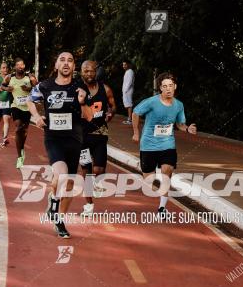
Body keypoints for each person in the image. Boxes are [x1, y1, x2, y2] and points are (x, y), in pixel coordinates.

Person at [26, 52, 92, 238]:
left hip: (74, 140)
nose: (66, 63)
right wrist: (36, 116)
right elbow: (30, 100)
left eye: (70, 60)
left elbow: (88, 116)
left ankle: (60, 220)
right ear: (56, 65)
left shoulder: (80, 87)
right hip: (53, 138)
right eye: (62, 60)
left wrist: (83, 101)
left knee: (69, 182)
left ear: (73, 66)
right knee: (61, 173)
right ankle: (54, 203)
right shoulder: (45, 86)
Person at [132, 72, 197, 218]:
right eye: (165, 86)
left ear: (175, 87)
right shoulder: (151, 102)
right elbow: (135, 113)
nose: (168, 89)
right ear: (160, 88)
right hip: (148, 145)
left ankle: (162, 208)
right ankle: (145, 166)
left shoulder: (179, 105)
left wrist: (187, 128)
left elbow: (180, 124)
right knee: (149, 180)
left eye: (170, 86)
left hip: (167, 144)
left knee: (167, 172)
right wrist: (136, 132)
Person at [79, 60, 116, 215]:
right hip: (81, 137)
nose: (89, 74)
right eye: (85, 71)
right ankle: (89, 206)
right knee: (86, 171)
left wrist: (110, 113)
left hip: (100, 134)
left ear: (96, 71)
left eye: (91, 71)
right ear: (81, 72)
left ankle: (94, 183)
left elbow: (113, 106)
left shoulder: (105, 89)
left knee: (99, 169)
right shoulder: (76, 90)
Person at [2, 58, 37, 168]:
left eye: (22, 65)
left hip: (27, 107)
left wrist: (28, 88)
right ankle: (19, 157)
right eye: (18, 65)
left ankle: (21, 149)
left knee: (24, 131)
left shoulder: (29, 76)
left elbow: (36, 85)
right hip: (16, 106)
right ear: (15, 67)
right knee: (18, 128)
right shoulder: (10, 77)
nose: (20, 67)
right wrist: (7, 89)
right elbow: (2, 86)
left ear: (24, 66)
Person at [122, 59, 135, 124]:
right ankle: (129, 119)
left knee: (129, 104)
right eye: (123, 65)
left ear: (128, 65)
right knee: (127, 104)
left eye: (125, 65)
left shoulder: (130, 71)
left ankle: (130, 120)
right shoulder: (127, 71)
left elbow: (129, 82)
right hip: (126, 91)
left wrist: (126, 90)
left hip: (128, 91)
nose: (123, 66)